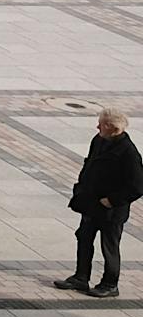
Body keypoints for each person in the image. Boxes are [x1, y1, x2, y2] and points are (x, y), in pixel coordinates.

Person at [55, 108, 143, 298]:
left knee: (109, 246)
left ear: (112, 128)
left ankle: (110, 284)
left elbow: (137, 186)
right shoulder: (99, 140)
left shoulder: (129, 153)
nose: (97, 127)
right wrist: (81, 189)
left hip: (111, 210)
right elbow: (89, 164)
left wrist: (112, 201)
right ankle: (81, 277)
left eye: (101, 124)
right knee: (84, 237)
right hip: (91, 203)